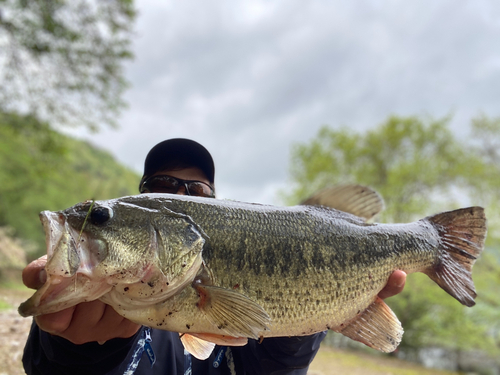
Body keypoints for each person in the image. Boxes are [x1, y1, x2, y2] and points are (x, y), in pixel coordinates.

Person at [22, 138, 407, 375]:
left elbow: (271, 370)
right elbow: (48, 368)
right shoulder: (108, 290)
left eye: (198, 191)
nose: (182, 195)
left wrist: (317, 314)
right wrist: (76, 355)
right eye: (163, 188)